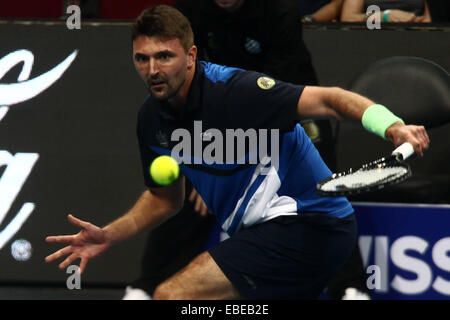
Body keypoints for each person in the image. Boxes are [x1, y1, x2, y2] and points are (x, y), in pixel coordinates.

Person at [45, 5, 429, 300]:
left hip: (309, 224)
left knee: (170, 295)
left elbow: (330, 100)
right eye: (141, 59)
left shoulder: (239, 93)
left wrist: (393, 125)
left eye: (164, 56)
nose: (152, 69)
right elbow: (165, 199)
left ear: (192, 55)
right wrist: (110, 235)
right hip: (266, 236)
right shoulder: (152, 120)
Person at [341, 0, 432, 23]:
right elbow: (348, 17)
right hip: (373, 34)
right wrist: (383, 16)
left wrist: (413, 21)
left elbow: (429, 19)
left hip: (415, 34)